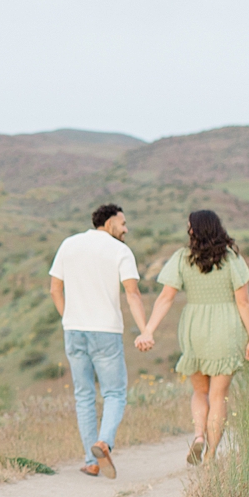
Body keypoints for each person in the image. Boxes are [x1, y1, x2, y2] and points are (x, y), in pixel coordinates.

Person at [135, 210, 249, 465]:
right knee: (218, 396)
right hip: (226, 328)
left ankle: (199, 436)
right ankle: (211, 455)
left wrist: (148, 330)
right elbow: (244, 301)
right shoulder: (231, 258)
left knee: (199, 392)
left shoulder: (183, 258)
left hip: (194, 328)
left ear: (194, 231)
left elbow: (166, 297)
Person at [49, 203, 149, 478]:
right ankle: (103, 443)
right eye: (123, 223)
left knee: (83, 396)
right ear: (107, 224)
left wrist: (68, 317)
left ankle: (91, 461)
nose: (126, 229)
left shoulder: (68, 244)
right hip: (105, 331)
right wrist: (145, 330)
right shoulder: (120, 251)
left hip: (74, 330)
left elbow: (55, 289)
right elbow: (132, 294)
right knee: (114, 393)